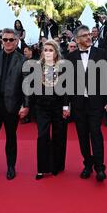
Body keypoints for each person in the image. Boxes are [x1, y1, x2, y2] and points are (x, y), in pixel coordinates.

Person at [66, 25, 107, 182]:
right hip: (79, 103)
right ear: (77, 39)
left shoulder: (101, 54)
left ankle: (100, 167)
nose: (89, 37)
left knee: (96, 133)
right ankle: (87, 164)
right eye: (84, 35)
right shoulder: (70, 58)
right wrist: (66, 105)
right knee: (82, 136)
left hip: (96, 103)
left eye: (89, 35)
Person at [0, 28, 30, 181]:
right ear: (1, 41)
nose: (7, 42)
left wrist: (26, 105)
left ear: (16, 41)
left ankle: (10, 166)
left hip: (12, 105)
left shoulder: (23, 60)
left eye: (11, 40)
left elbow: (26, 85)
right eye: (5, 39)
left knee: (11, 137)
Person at [34, 40, 69, 180]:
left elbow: (67, 88)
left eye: (51, 50)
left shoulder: (63, 67)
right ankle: (42, 168)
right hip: (42, 106)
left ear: (56, 52)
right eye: (45, 50)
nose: (48, 52)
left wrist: (66, 107)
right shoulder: (37, 66)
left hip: (58, 105)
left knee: (58, 135)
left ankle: (56, 165)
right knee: (42, 135)